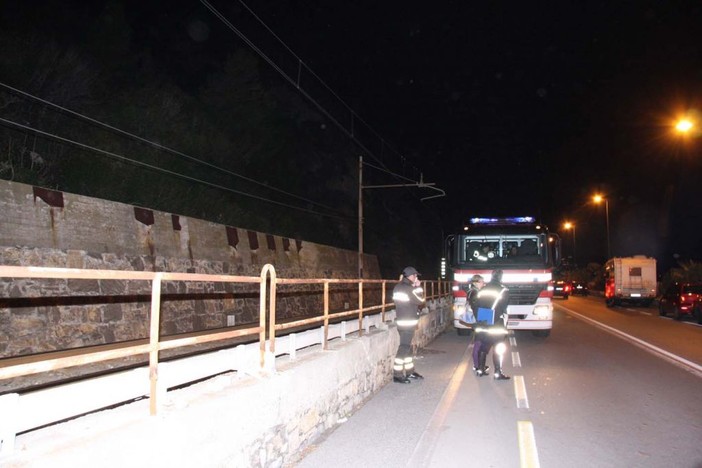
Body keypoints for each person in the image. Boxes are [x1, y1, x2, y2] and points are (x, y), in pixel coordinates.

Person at [473, 269, 511, 380]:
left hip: (483, 321)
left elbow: (477, 305)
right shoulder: (504, 290)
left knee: (483, 346)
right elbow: (504, 307)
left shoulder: (483, 289)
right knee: (498, 348)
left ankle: (480, 370)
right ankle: (497, 373)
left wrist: (480, 318)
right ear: (501, 277)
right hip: (496, 324)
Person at [391, 266, 426, 383]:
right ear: (411, 276)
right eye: (415, 276)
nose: (416, 277)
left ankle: (410, 371)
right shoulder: (409, 289)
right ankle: (397, 374)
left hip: (402, 321)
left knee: (407, 348)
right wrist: (418, 287)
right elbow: (421, 301)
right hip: (408, 322)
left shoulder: (398, 287)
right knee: (404, 348)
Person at [466, 275, 486, 370]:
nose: (483, 283)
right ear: (476, 282)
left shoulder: (471, 291)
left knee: (479, 341)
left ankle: (478, 364)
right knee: (478, 342)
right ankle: (477, 365)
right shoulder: (475, 293)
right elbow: (477, 307)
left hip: (476, 319)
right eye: (482, 281)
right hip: (478, 319)